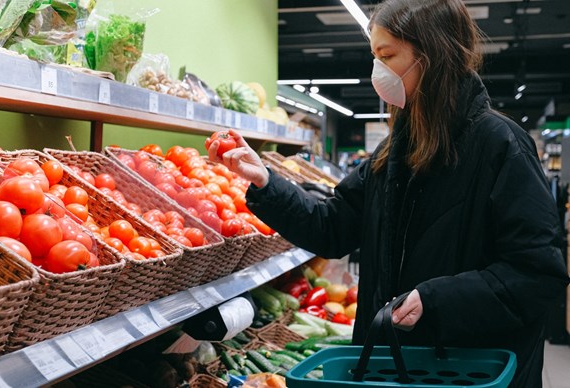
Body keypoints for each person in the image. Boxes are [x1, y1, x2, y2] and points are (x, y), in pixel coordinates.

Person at [207, 0, 569, 386]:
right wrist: (264, 180)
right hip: (396, 365)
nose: (376, 70)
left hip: (469, 370)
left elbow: (537, 274)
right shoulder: (396, 150)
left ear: (432, 56)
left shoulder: (500, 146)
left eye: (387, 55)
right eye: (374, 55)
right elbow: (333, 226)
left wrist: (436, 300)